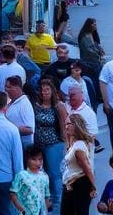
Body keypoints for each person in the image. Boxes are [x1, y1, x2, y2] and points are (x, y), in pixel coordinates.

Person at [33, 78, 66, 211]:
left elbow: (64, 126)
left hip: (54, 144)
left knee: (54, 174)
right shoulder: (37, 106)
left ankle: (57, 205)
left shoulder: (58, 106)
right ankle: (47, 203)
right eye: (42, 90)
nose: (44, 92)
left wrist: (67, 144)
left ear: (52, 91)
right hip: (40, 145)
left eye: (47, 89)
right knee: (43, 174)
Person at [61, 114, 97, 215]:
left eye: (69, 124)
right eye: (65, 124)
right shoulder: (75, 143)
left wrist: (93, 186)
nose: (66, 126)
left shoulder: (78, 147)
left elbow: (87, 169)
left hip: (79, 184)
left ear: (76, 125)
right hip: (72, 184)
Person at [10, 145, 51, 215]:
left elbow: (47, 196)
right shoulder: (21, 175)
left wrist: (45, 210)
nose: (37, 162)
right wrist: (20, 209)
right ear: (27, 159)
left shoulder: (44, 176)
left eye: (40, 159)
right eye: (33, 159)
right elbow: (13, 193)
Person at [4, 76, 36, 147]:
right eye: (5, 87)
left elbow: (30, 129)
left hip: (23, 145)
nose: (6, 89)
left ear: (17, 88)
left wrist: (9, 128)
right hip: (13, 143)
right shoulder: (10, 101)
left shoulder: (24, 104)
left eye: (9, 87)